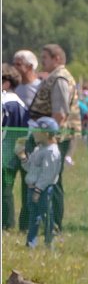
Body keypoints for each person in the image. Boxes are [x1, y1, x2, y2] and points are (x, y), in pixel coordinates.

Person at [27, 44, 80, 230]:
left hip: (56, 138)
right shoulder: (56, 77)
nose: (42, 62)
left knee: (53, 180)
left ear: (57, 58)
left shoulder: (60, 79)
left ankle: (54, 223)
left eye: (45, 58)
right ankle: (47, 221)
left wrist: (49, 136)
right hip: (51, 137)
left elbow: (60, 112)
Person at [22, 118, 61, 248]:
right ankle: (31, 242)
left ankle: (49, 241)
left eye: (36, 130)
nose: (33, 132)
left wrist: (38, 190)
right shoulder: (39, 148)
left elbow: (47, 174)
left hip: (43, 190)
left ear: (45, 133)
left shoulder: (51, 152)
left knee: (46, 215)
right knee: (33, 215)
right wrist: (23, 158)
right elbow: (32, 168)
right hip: (32, 187)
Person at [3, 65, 30, 231]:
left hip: (4, 152)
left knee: (4, 189)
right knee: (6, 188)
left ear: (6, 83)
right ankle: (9, 223)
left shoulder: (5, 102)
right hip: (14, 151)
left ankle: (6, 224)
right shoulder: (21, 104)